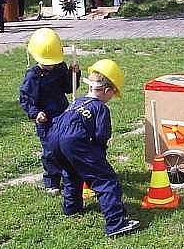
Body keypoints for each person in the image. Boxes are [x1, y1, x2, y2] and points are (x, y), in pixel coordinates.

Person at [46, 59, 140, 237]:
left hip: (53, 139)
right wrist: (98, 161)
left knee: (71, 173)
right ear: (106, 91)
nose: (111, 98)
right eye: (113, 94)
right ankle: (115, 223)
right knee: (106, 180)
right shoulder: (100, 108)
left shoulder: (77, 102)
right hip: (73, 142)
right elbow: (101, 136)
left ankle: (71, 207)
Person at [19, 28, 80, 194]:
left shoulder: (60, 67)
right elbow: (25, 98)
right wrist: (35, 113)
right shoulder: (33, 75)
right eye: (47, 62)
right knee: (50, 151)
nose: (50, 65)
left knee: (66, 146)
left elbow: (69, 88)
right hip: (45, 120)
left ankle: (69, 176)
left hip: (62, 114)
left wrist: (73, 74)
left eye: (53, 61)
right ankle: (51, 181)